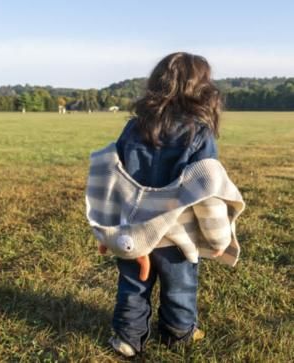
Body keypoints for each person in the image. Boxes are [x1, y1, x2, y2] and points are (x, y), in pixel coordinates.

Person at [87, 52, 244, 357]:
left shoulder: (133, 129)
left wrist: (106, 232)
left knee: (133, 287)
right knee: (180, 288)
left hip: (132, 232)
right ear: (202, 90)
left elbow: (112, 182)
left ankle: (127, 339)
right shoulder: (199, 132)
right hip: (176, 237)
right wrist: (218, 239)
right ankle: (178, 333)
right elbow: (207, 192)